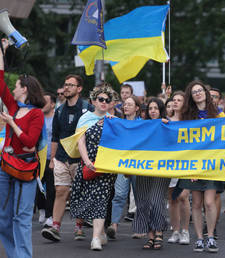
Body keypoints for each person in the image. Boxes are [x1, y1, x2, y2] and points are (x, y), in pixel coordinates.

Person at [0, 40, 46, 258]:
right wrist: (2, 51)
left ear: (24, 89)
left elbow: (29, 142)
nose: (13, 88)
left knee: (22, 216)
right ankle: (14, 255)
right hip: (6, 165)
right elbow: (0, 82)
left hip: (25, 167)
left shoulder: (36, 113)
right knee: (2, 217)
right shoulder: (13, 106)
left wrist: (12, 123)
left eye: (16, 85)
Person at [41, 74, 94, 242]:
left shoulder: (88, 109)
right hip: (62, 157)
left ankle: (79, 226)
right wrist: (52, 159)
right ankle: (55, 227)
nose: (67, 87)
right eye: (65, 84)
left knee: (79, 193)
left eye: (71, 85)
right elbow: (55, 137)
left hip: (80, 158)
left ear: (79, 89)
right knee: (61, 191)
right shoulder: (59, 110)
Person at [177, 81, 225, 253]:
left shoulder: (218, 114)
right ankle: (199, 238)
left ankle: (210, 236)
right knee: (196, 203)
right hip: (193, 165)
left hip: (212, 165)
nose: (198, 93)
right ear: (191, 96)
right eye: (194, 92)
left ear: (205, 93)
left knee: (209, 202)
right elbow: (181, 138)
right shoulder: (187, 115)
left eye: (200, 91)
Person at [69, 86, 117, 251]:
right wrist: (87, 161)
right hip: (88, 165)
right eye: (101, 99)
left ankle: (95, 238)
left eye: (107, 100)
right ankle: (101, 232)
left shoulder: (113, 119)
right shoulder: (85, 118)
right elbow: (80, 141)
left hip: (106, 168)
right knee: (90, 199)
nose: (104, 102)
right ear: (94, 101)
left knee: (101, 199)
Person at [134, 97, 171, 250]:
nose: (153, 111)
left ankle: (159, 232)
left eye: (156, 108)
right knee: (143, 202)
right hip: (143, 169)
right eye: (150, 109)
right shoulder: (142, 126)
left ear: (161, 110)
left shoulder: (168, 125)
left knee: (156, 201)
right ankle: (150, 235)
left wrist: (169, 128)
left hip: (162, 169)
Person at [106, 96, 141, 240]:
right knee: (119, 195)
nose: (126, 107)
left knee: (140, 197)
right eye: (124, 104)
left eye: (130, 104)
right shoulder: (118, 123)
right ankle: (114, 225)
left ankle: (140, 227)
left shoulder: (143, 124)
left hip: (139, 165)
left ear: (137, 108)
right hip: (122, 164)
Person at [167, 91, 191, 245]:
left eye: (179, 100)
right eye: (174, 100)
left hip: (187, 165)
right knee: (172, 199)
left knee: (183, 197)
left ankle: (185, 231)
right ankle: (175, 231)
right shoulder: (166, 121)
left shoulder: (191, 121)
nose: (175, 102)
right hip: (170, 165)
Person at [35, 92, 56, 227]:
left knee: (51, 188)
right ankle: (41, 209)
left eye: (45, 102)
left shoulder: (56, 118)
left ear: (53, 104)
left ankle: (50, 215)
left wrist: (55, 158)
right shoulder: (38, 118)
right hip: (38, 158)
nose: (42, 104)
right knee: (37, 186)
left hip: (51, 158)